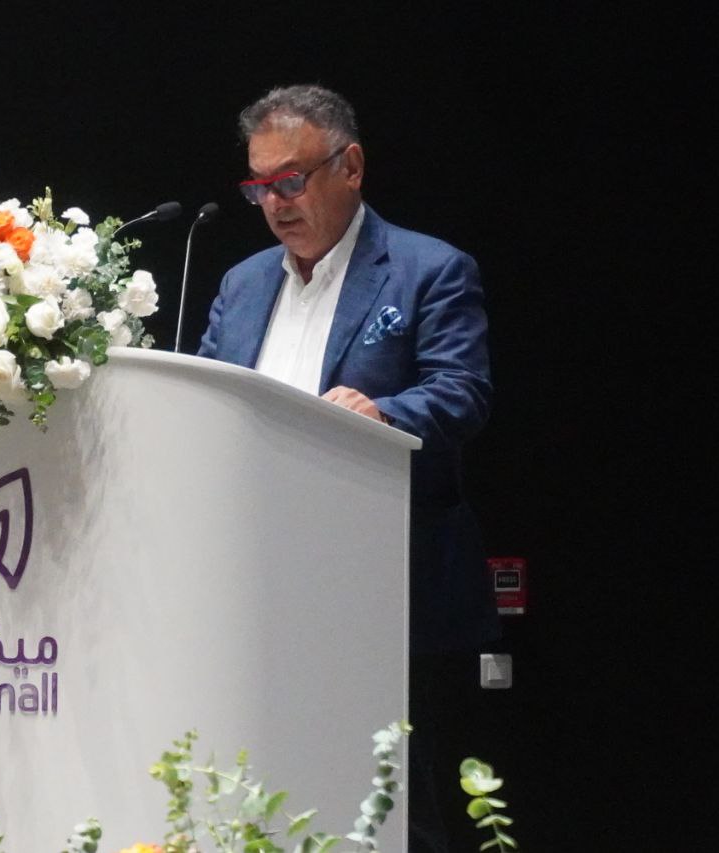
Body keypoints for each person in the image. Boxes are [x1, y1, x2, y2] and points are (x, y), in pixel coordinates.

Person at [198, 84, 500, 852]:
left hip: (388, 592)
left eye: (290, 180)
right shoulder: (243, 284)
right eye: (259, 187)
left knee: (403, 811)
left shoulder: (428, 269)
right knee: (269, 793)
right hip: (258, 593)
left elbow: (463, 392)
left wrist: (384, 415)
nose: (275, 203)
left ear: (351, 166)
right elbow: (206, 402)